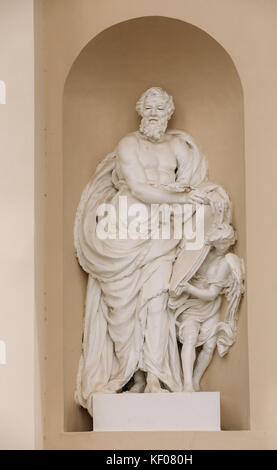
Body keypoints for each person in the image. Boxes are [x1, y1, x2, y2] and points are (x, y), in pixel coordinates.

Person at [74, 87, 210, 412]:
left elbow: (194, 185)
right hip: (127, 227)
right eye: (148, 107)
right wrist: (180, 197)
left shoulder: (179, 146)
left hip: (164, 230)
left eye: (160, 108)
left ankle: (155, 377)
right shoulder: (128, 144)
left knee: (157, 299)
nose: (153, 113)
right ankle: (130, 375)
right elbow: (137, 187)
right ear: (140, 111)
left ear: (168, 113)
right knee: (123, 308)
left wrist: (192, 202)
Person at [170, 224, 245, 392]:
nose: (225, 246)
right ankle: (187, 383)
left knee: (210, 344)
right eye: (221, 242)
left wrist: (188, 288)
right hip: (189, 305)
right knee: (190, 336)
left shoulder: (225, 262)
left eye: (227, 242)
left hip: (209, 306)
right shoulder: (200, 253)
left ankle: (195, 380)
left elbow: (211, 294)